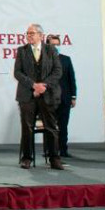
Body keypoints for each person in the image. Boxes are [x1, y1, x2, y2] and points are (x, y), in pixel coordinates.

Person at [15, 24, 63, 170]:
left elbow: (57, 71)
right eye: (27, 33)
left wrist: (43, 85)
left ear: (41, 35)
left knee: (51, 127)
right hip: (27, 95)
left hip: (47, 94)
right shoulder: (22, 51)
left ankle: (54, 158)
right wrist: (34, 86)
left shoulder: (51, 50)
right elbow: (17, 73)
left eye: (32, 33)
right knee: (27, 127)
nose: (29, 36)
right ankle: (27, 158)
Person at [46, 34, 77, 158]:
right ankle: (50, 151)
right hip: (49, 99)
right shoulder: (42, 60)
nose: (56, 47)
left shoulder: (66, 59)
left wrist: (73, 97)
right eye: (53, 45)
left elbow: (71, 79)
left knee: (63, 125)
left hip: (65, 98)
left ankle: (63, 150)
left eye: (57, 45)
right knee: (50, 127)